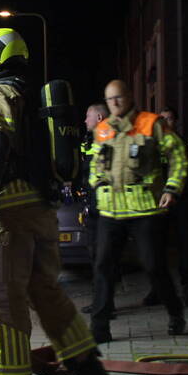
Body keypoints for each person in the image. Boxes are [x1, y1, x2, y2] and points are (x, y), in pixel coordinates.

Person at [0, 28, 112, 375]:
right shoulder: (34, 95)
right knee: (47, 292)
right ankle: (86, 365)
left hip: (8, 215)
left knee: (6, 301)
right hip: (41, 212)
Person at [89, 80, 188, 344]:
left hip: (144, 208)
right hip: (111, 211)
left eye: (119, 97)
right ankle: (99, 327)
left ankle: (175, 311)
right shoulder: (102, 129)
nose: (116, 103)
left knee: (153, 264)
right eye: (110, 100)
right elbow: (95, 163)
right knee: (103, 266)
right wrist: (96, 181)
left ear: (130, 97)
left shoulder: (150, 123)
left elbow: (178, 155)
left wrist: (172, 188)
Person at [142, 106, 188, 308]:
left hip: (182, 201)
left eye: (169, 119)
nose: (166, 122)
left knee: (185, 245)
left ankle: (187, 289)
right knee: (154, 246)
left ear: (175, 121)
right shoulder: (151, 144)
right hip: (157, 202)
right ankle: (156, 289)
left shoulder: (185, 143)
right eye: (162, 119)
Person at [80, 102, 114, 316]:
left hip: (105, 208)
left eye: (88, 116)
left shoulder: (109, 138)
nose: (85, 121)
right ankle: (102, 302)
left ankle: (105, 306)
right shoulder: (90, 140)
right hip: (94, 206)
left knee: (103, 258)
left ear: (99, 118)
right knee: (97, 257)